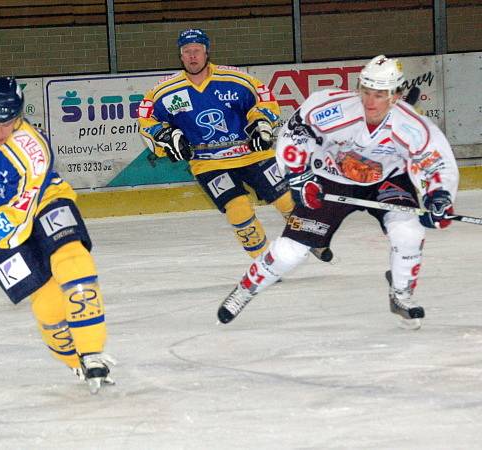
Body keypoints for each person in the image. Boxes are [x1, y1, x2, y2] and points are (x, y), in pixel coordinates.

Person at [217, 55, 459, 329]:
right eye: (365, 92)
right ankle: (245, 289)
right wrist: (299, 178)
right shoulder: (331, 107)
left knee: (409, 232)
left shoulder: (412, 126)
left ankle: (401, 292)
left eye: (379, 95)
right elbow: (296, 132)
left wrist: (438, 196)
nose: (369, 102)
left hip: (388, 180)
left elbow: (434, 161)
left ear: (396, 96)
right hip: (330, 178)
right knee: (289, 252)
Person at [0, 76, 114, 394]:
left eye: (10, 123)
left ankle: (92, 350)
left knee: (72, 260)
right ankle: (76, 362)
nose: (0, 133)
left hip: (39, 202)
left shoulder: (34, 151)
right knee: (47, 306)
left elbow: (19, 214)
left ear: (20, 116)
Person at [138, 28, 332, 262]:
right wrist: (165, 136)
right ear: (180, 56)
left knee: (285, 199)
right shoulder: (164, 91)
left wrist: (261, 122)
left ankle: (310, 238)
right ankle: (263, 261)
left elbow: (264, 100)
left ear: (206, 51)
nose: (192, 56)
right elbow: (146, 119)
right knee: (237, 207)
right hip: (208, 164)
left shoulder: (235, 79)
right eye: (187, 51)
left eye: (197, 50)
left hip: (251, 155)